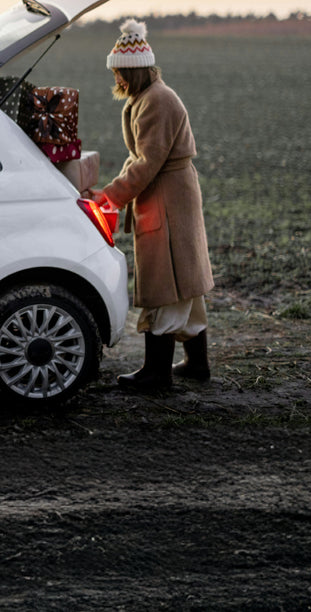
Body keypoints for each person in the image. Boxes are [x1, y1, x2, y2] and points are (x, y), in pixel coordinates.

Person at [89, 20, 214, 391]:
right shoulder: (148, 97)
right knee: (184, 285)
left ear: (132, 69)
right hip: (170, 194)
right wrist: (113, 191)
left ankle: (156, 373)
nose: (118, 81)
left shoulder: (156, 101)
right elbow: (142, 158)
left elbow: (148, 162)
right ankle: (197, 364)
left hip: (167, 198)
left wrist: (110, 196)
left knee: (166, 282)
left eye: (119, 74)